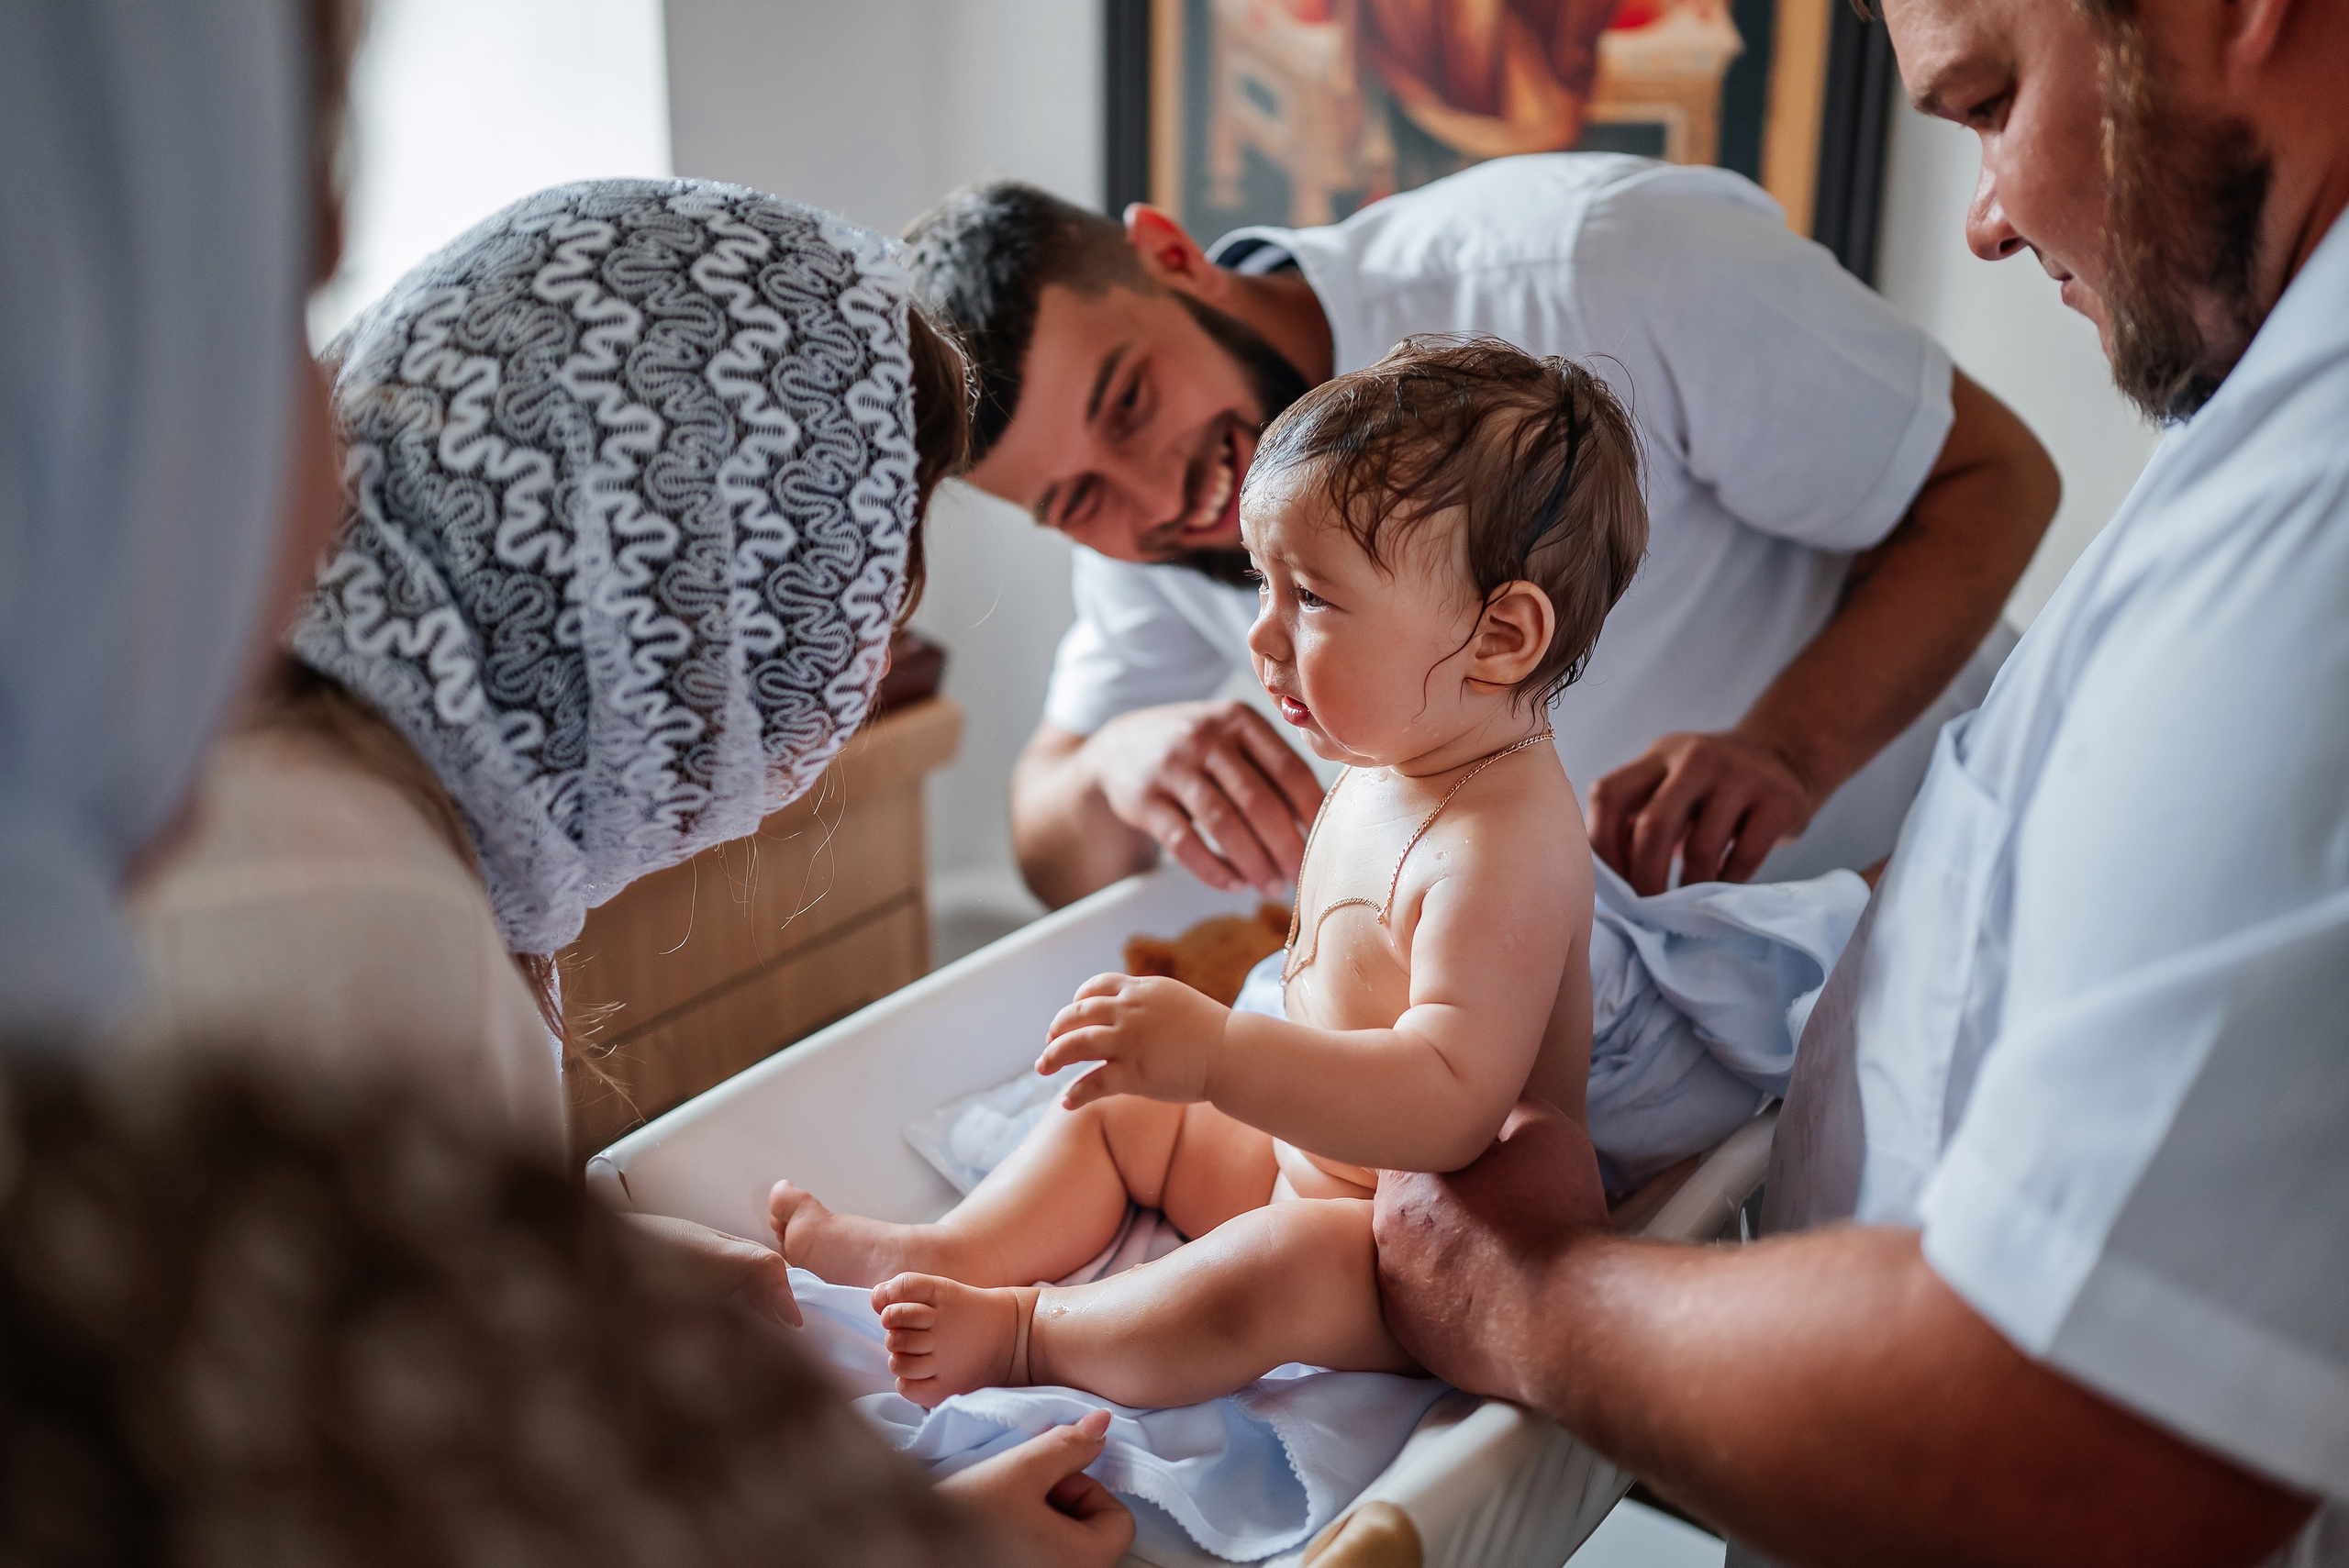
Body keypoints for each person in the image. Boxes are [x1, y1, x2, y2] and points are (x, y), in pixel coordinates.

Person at [1370, 0, 2349, 1562]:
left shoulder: (2319, 515)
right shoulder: (2267, 399)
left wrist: (1519, 1290)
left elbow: (2080, 1440)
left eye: (1989, 100)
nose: (1983, 220)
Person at [106, 173, 1135, 1567]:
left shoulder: (239, 757)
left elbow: (289, 1310)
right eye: (847, 627)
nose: (858, 683)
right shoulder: (356, 929)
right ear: (671, 620)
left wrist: (564, 1273)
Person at [768, 337, 1640, 1411]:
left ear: (1499, 636)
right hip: (1306, 1149)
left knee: (1269, 1268)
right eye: (1259, 583)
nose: (1262, 635)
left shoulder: (1499, 848)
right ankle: (945, 1246)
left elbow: (1450, 1105)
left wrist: (1223, 1051)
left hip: (1402, 1234)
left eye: (1311, 598)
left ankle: (1032, 1334)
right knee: (1121, 1110)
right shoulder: (1396, 758)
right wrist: (1200, 1072)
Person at [900, 155, 2061, 908]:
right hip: (1625, 1022)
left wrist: (1787, 750)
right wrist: (1113, 765)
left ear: (1170, 256)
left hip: (1955, 866)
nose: (1161, 498)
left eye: (1130, 402)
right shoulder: (1149, 533)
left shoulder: (1593, 264)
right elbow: (1049, 848)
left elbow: (1994, 478)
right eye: (1075, 503)